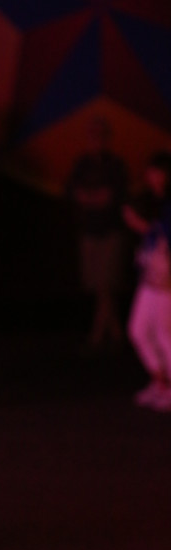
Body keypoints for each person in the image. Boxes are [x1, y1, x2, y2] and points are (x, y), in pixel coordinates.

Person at [67, 117, 128, 350]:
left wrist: (91, 198)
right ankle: (116, 331)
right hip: (89, 231)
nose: (96, 139)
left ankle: (98, 333)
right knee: (98, 284)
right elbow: (75, 193)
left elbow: (108, 198)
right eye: (92, 135)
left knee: (106, 283)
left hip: (110, 231)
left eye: (100, 134)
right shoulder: (81, 164)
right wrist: (93, 198)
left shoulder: (116, 166)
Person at [124, 152, 171, 411]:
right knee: (138, 329)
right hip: (150, 274)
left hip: (165, 277)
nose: (151, 176)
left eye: (157, 171)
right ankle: (160, 382)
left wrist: (139, 225)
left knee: (164, 333)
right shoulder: (154, 201)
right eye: (150, 171)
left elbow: (164, 235)